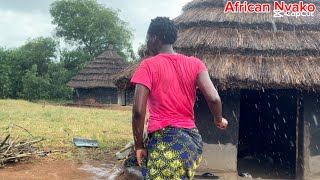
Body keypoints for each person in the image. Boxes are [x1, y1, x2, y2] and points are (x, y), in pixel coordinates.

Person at [131, 17, 228, 180]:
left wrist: (139, 146)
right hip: (191, 143)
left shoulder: (148, 65)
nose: (147, 43)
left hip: (165, 140)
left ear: (156, 37)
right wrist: (219, 119)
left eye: (148, 38)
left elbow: (138, 112)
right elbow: (214, 99)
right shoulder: (195, 64)